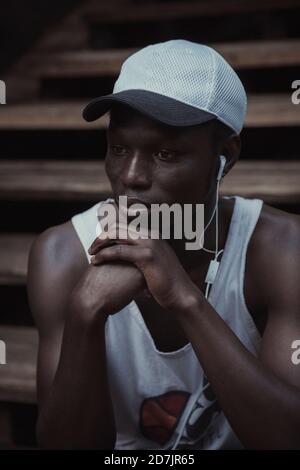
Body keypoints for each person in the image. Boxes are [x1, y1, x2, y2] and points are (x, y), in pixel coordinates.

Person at [27, 40, 300, 450]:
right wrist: (86, 313)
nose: (131, 176)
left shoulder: (283, 252)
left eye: (166, 153)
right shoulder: (62, 257)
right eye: (118, 148)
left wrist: (182, 298)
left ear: (225, 156)